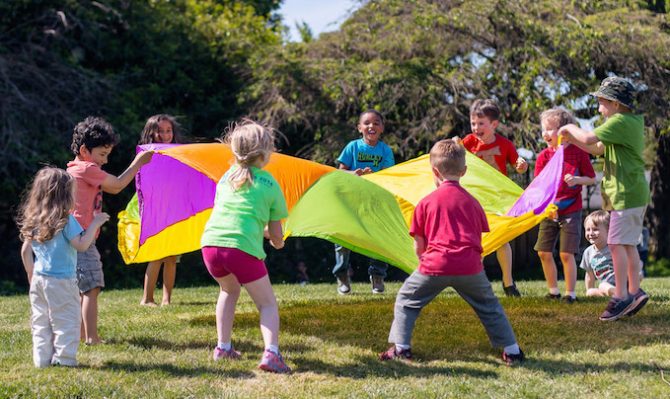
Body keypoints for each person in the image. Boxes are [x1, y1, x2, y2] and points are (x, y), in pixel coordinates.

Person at [379, 140, 524, 365]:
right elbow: (479, 236)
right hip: (470, 266)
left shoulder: (425, 203)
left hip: (434, 265)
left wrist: (424, 263)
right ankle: (512, 351)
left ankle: (401, 348)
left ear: (434, 171)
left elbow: (419, 244)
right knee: (490, 307)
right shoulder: (474, 203)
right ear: (464, 171)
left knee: (407, 299)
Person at [200, 120, 291, 373]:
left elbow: (234, 216)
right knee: (267, 304)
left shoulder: (226, 178)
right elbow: (275, 234)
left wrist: (259, 233)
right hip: (240, 250)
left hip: (211, 245)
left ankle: (223, 347)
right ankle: (272, 353)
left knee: (229, 291)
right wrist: (278, 241)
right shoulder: (270, 184)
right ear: (265, 152)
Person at [559, 76, 650, 321]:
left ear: (616, 104)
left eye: (602, 102)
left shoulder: (620, 121)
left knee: (615, 244)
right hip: (630, 194)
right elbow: (597, 148)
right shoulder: (625, 124)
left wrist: (569, 129)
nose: (599, 109)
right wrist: (573, 141)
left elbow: (589, 139)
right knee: (627, 245)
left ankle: (621, 295)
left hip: (626, 194)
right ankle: (634, 292)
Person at [67, 116, 153, 344]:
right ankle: (91, 338)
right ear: (85, 150)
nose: (104, 161)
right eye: (102, 155)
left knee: (82, 289)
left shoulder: (76, 169)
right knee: (92, 287)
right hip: (83, 239)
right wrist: (138, 163)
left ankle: (82, 335)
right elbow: (116, 186)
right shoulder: (86, 168)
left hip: (77, 238)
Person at [17, 167, 110, 367]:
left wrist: (31, 274)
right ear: (65, 195)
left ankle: (41, 361)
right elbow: (82, 245)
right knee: (66, 320)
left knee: (41, 322)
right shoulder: (67, 220)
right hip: (62, 281)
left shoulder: (35, 219)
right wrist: (95, 223)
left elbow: (25, 252)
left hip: (39, 280)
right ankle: (65, 360)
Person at [459, 99, 528, 297]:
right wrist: (455, 147)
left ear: (494, 124)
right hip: (475, 199)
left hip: (497, 199)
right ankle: (476, 284)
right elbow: (456, 158)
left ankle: (508, 283)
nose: (476, 128)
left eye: (481, 123)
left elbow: (518, 164)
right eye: (473, 123)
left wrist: (522, 165)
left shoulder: (504, 144)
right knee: (476, 242)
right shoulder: (469, 142)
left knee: (500, 241)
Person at [534, 108, 596, 303]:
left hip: (571, 209)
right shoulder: (543, 157)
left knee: (566, 253)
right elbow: (538, 185)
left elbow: (591, 179)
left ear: (565, 132)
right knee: (543, 252)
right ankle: (553, 291)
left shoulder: (578, 153)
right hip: (550, 210)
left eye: (550, 129)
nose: (545, 133)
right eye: (544, 129)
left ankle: (571, 294)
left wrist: (577, 179)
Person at [334, 109, 395, 295]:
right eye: (367, 123)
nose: (372, 126)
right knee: (342, 240)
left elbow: (389, 175)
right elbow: (339, 172)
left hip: (374, 203)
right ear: (359, 128)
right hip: (350, 202)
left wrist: (374, 176)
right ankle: (342, 275)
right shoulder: (352, 147)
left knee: (379, 239)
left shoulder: (385, 150)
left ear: (382, 128)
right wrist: (354, 174)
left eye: (376, 123)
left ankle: (377, 277)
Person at [138, 114, 182, 307]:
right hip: (156, 211)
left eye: (168, 130)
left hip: (174, 210)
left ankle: (167, 299)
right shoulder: (147, 154)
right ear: (151, 132)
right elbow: (143, 183)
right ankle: (147, 298)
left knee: (172, 257)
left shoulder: (179, 153)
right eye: (160, 131)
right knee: (156, 254)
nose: (165, 135)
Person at [580, 210, 616, 297]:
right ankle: (615, 295)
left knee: (602, 285)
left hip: (622, 283)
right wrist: (589, 288)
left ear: (608, 231)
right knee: (590, 292)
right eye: (588, 230)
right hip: (606, 286)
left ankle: (621, 295)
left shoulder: (614, 248)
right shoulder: (588, 252)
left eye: (595, 229)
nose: (591, 233)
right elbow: (589, 275)